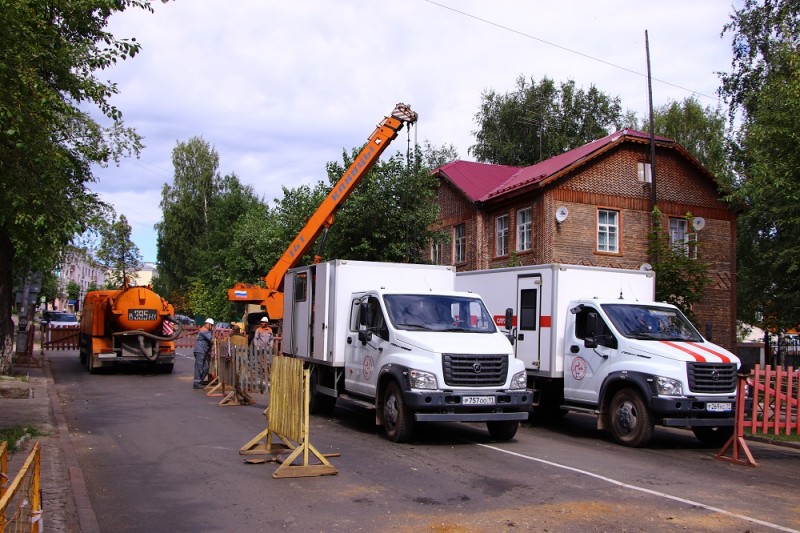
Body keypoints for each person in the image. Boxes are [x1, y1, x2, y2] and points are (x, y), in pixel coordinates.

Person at [193, 318, 214, 389]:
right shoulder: (205, 331)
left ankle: (199, 381)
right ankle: (196, 383)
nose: (212, 327)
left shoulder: (204, 330)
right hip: (200, 351)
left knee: (206, 367)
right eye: (211, 325)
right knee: (199, 367)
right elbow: (211, 340)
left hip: (202, 351)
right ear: (207, 324)